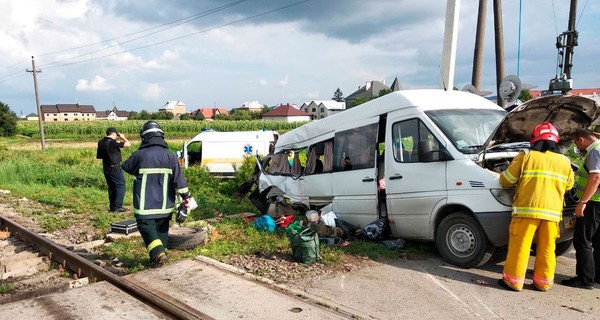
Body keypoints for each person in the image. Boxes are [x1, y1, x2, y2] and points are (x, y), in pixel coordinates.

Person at [498, 122, 574, 292]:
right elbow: (569, 186)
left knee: (521, 246)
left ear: (534, 138)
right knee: (547, 248)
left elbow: (506, 181)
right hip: (552, 213)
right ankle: (543, 282)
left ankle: (513, 281)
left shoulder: (526, 156)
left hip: (527, 210)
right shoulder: (564, 161)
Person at [122, 121, 191, 267]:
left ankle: (159, 253)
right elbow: (180, 180)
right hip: (165, 207)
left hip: (145, 207)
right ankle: (158, 258)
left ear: (144, 137)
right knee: (161, 231)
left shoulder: (140, 155)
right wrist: (186, 198)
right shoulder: (170, 156)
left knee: (148, 230)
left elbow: (126, 166)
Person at [562, 128, 600, 289]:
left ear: (581, 139)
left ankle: (585, 279)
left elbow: (596, 177)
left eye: (576, 143)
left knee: (582, 241)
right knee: (598, 241)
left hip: (593, 203)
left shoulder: (594, 151)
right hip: (597, 202)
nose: (577, 146)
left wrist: (583, 201)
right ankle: (596, 275)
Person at [96, 127, 130, 212]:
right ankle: (118, 206)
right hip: (114, 167)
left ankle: (112, 207)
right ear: (114, 134)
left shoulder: (101, 142)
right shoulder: (112, 142)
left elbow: (99, 156)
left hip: (106, 166)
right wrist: (123, 137)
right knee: (120, 185)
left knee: (111, 186)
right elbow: (128, 144)